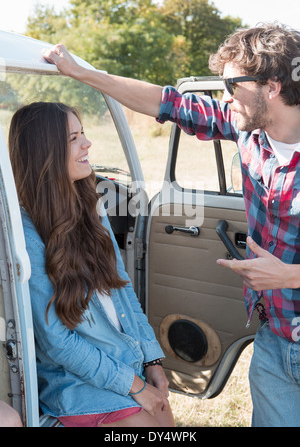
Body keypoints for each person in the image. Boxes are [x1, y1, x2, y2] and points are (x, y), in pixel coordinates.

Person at [42, 22, 300, 427]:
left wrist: (289, 276)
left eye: (232, 86)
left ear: (271, 85)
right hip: (276, 337)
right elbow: (167, 102)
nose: (224, 97)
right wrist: (84, 73)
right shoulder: (249, 130)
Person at [8, 101, 175, 428]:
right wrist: (134, 386)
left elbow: (123, 291)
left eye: (83, 133)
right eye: (73, 138)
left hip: (124, 368)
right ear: (45, 151)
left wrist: (151, 360)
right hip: (78, 387)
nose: (87, 143)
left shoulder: (92, 208)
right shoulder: (27, 234)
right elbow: (57, 342)